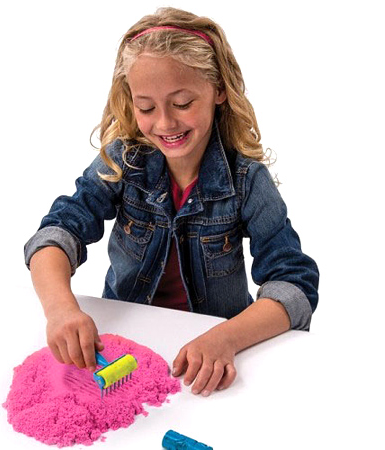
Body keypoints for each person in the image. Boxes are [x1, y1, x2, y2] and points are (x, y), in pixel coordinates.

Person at [24, 7, 319, 397]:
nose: (164, 124)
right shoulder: (123, 162)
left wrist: (226, 338)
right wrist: (61, 310)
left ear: (219, 91)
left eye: (182, 103)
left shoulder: (247, 181)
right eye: (146, 107)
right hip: (124, 343)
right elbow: (57, 233)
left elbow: (294, 284)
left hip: (214, 355)